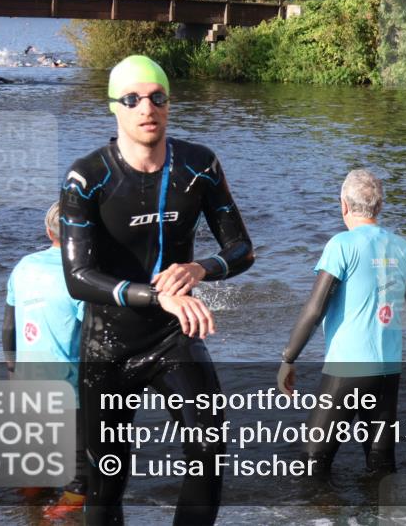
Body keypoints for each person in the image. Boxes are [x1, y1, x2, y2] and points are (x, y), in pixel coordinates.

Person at [60, 55, 255, 525]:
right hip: (108, 345)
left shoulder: (199, 165)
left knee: (209, 444)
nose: (147, 107)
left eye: (157, 97)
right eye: (133, 99)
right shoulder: (87, 178)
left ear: (169, 104)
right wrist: (156, 294)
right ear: (115, 108)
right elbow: (78, 277)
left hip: (172, 335)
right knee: (107, 482)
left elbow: (242, 248)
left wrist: (200, 268)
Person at [277, 169, 406, 475]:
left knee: (311, 464)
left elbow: (315, 308)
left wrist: (289, 358)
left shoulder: (341, 245)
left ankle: (321, 517)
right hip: (388, 371)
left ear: (343, 205)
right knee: (381, 466)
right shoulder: (403, 248)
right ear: (380, 206)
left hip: (346, 370)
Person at [3, 202, 88, 518]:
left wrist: (12, 369)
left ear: (47, 231)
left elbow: (9, 325)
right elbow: (94, 338)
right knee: (81, 469)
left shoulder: (23, 266)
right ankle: (63, 509)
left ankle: (33, 499)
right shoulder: (81, 275)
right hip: (68, 386)